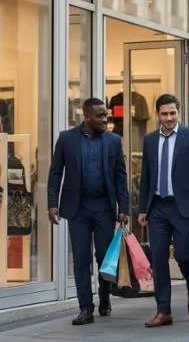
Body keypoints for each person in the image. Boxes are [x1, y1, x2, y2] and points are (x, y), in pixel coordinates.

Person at [46, 98, 129, 326]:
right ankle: (85, 308)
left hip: (104, 207)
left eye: (106, 115)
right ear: (86, 117)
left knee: (104, 257)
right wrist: (52, 203)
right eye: (99, 116)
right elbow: (55, 173)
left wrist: (124, 207)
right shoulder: (67, 139)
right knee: (81, 258)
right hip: (77, 208)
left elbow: (120, 175)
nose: (105, 119)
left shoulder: (113, 141)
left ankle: (104, 294)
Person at [137, 94, 189, 327]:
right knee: (158, 257)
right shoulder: (150, 140)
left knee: (183, 254)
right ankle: (163, 311)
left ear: (178, 112)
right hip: (157, 207)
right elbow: (146, 176)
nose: (169, 118)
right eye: (164, 114)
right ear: (158, 115)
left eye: (173, 113)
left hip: (183, 207)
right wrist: (142, 208)